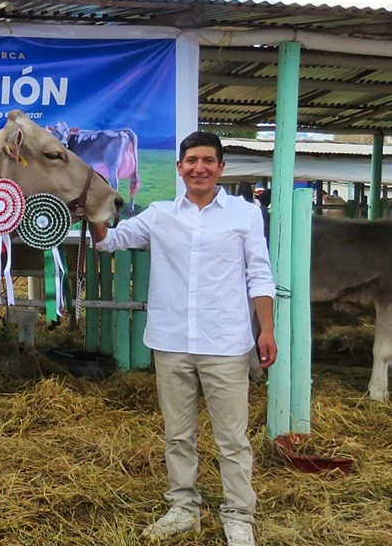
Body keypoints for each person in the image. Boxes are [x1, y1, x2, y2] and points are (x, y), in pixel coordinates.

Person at [91, 131, 277, 546]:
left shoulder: (244, 215)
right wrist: (92, 209)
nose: (199, 168)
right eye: (191, 160)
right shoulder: (159, 214)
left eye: (208, 161)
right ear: (179, 167)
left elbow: (259, 274)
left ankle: (238, 514)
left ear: (221, 168)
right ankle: (183, 507)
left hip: (225, 343)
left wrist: (266, 329)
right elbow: (111, 242)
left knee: (232, 437)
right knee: (178, 433)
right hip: (172, 341)